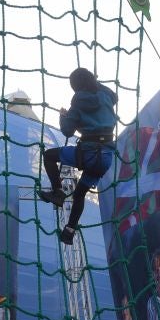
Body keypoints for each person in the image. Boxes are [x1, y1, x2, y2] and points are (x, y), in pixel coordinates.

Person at [38, 68, 117, 245]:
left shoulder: (79, 101)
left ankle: (58, 192)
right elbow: (114, 96)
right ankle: (69, 230)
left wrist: (63, 116)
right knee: (79, 193)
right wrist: (97, 82)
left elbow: (67, 131)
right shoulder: (106, 97)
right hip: (105, 158)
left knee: (49, 156)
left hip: (88, 154)